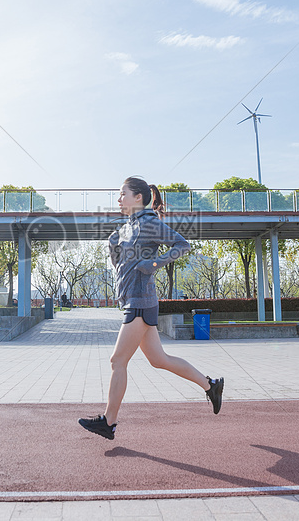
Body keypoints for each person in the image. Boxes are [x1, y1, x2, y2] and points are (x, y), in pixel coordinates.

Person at [78, 177, 224, 440]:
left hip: (141, 301)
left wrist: (154, 264)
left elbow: (182, 245)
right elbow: (120, 264)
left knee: (117, 360)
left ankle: (108, 423)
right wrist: (114, 246)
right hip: (131, 299)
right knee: (159, 360)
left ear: (138, 198)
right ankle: (210, 385)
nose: (118, 199)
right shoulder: (127, 227)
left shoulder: (149, 223)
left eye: (123, 194)